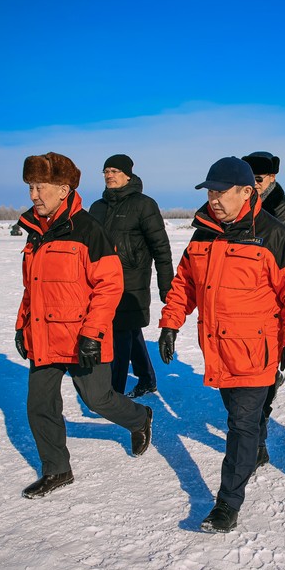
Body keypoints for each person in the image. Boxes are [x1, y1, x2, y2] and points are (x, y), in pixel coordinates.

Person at [158, 156, 285, 533]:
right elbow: (184, 284)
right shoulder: (203, 233)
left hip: (255, 352)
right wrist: (170, 324)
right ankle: (258, 444)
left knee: (240, 425)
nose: (213, 198)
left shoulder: (273, 234)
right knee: (242, 418)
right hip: (218, 350)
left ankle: (227, 503)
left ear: (247, 192)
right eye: (209, 191)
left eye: (220, 191)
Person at [15, 152, 153, 500]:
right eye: (31, 187)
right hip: (44, 335)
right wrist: (22, 326)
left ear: (64, 189)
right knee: (39, 405)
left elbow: (109, 286)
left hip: (81, 335)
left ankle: (139, 418)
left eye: (40, 187)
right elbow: (32, 287)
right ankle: (56, 469)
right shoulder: (36, 232)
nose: (33, 195)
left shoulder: (90, 230)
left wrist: (92, 334)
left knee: (98, 399)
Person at [241, 151, 285, 472]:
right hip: (242, 301)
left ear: (272, 179)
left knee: (267, 373)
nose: (253, 185)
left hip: (275, 302)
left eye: (259, 179)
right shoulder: (238, 207)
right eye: (248, 179)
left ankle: (258, 440)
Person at [89, 154, 174, 398]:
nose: (109, 175)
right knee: (130, 330)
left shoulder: (144, 205)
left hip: (131, 283)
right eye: (106, 171)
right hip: (102, 281)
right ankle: (146, 379)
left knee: (120, 334)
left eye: (115, 171)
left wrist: (167, 285)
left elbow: (161, 247)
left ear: (128, 175)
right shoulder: (97, 207)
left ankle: (112, 394)